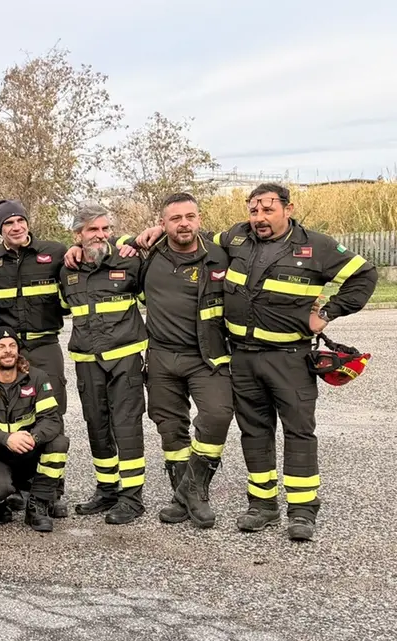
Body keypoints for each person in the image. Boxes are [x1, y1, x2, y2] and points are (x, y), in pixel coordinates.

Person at [133, 183, 377, 540]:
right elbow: (192, 235)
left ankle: (302, 511)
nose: (259, 217)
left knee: (298, 432)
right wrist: (153, 232)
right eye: (253, 210)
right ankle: (262, 505)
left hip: (290, 358)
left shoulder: (317, 246)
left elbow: (365, 275)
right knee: (255, 432)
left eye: (268, 210)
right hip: (244, 357)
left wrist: (327, 313)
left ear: (288, 209)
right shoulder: (235, 238)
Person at [126, 193, 233, 528]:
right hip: (162, 356)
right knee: (170, 428)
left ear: (199, 219)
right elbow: (108, 245)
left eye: (190, 217)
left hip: (207, 356)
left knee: (217, 415)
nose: (184, 224)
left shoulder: (220, 254)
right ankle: (184, 494)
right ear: (162, 224)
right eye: (175, 219)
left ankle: (192, 491)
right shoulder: (149, 253)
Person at [0, 199, 78, 518]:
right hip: (9, 351)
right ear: (0, 229)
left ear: (28, 222)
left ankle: (51, 491)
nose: (16, 227)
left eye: (20, 220)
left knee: (51, 414)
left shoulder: (55, 252)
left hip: (45, 345)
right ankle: (15, 485)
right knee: (8, 412)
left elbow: (86, 251)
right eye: (8, 223)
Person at [58, 203, 149, 525]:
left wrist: (134, 240)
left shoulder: (128, 260)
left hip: (124, 357)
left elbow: (151, 294)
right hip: (87, 360)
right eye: (93, 229)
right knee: (96, 426)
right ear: (78, 235)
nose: (101, 235)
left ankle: (132, 497)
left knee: (126, 425)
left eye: (105, 228)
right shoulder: (66, 270)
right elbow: (62, 306)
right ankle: (107, 489)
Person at [0, 327, 69, 532]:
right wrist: (6, 438)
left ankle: (37, 505)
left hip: (28, 450)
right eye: (0, 347)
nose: (8, 351)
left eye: (12, 345)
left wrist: (33, 438)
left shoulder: (37, 377)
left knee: (59, 442)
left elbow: (51, 419)